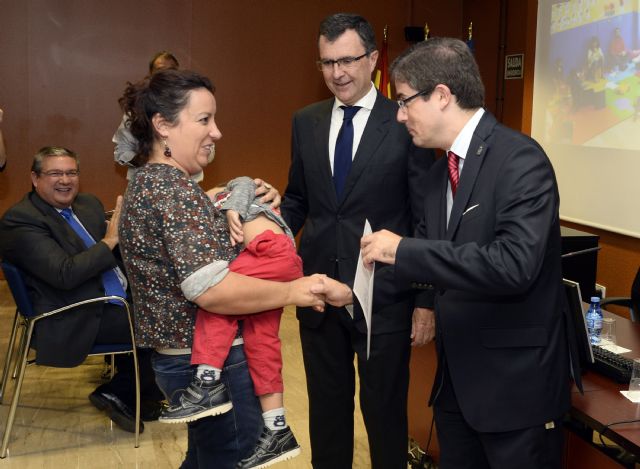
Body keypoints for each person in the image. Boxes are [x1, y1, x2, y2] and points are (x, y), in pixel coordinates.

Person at [359, 37, 581, 469]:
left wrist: (403, 249)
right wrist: (350, 292)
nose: (399, 114)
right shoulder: (440, 171)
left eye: (404, 101)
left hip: (515, 393)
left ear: (441, 95)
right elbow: (436, 264)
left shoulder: (520, 160)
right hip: (457, 388)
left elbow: (513, 265)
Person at [117, 68, 327, 469]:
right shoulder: (169, 190)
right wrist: (293, 291)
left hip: (184, 357)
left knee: (204, 459)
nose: (217, 132)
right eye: (204, 120)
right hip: (210, 362)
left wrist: (244, 200)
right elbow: (210, 290)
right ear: (163, 125)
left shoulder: (156, 183)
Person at [280, 13, 434, 469]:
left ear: (371, 59)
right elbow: (297, 200)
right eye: (327, 63)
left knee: (384, 414)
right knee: (327, 415)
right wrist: (268, 230)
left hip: (384, 296)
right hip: (320, 294)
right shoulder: (305, 121)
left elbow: (425, 220)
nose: (337, 73)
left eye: (347, 60)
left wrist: (426, 300)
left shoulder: (406, 122)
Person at [0, 146, 164, 433]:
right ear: (35, 178)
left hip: (107, 299)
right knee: (160, 321)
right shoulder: (21, 221)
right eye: (55, 173)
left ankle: (142, 395)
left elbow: (113, 255)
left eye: (71, 172)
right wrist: (109, 241)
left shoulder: (86, 205)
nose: (65, 180)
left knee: (166, 302)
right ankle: (122, 390)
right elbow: (65, 274)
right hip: (69, 314)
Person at [160, 176, 303, 468]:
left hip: (269, 250)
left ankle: (207, 383)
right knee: (262, 344)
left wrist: (231, 207)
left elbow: (244, 183)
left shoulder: (226, 193)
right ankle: (277, 429)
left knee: (217, 300)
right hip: (278, 260)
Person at [112, 50, 183, 180]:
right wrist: (147, 160)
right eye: (160, 70)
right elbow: (122, 151)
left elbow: (209, 149)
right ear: (151, 74)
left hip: (183, 182)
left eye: (171, 70)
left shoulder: (190, 104)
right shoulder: (137, 108)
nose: (166, 75)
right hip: (144, 183)